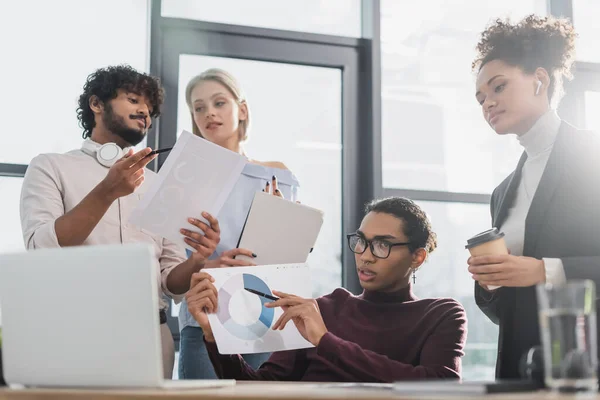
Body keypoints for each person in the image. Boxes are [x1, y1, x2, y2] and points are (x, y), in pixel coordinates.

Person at [19, 65, 221, 379]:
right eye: (133, 100)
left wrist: (197, 259)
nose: (144, 111)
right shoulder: (50, 167)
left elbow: (171, 282)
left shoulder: (157, 184)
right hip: (77, 335)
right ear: (97, 104)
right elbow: (41, 247)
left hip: (154, 336)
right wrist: (107, 191)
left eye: (150, 108)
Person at [186, 197, 467, 382]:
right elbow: (258, 389)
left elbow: (439, 388)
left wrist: (325, 341)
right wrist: (213, 335)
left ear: (417, 256)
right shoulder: (322, 308)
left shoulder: (442, 314)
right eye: (361, 241)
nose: (365, 255)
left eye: (383, 244)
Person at [470, 15, 600, 379]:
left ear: (539, 80)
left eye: (498, 88)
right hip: (522, 367)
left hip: (587, 364)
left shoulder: (593, 157)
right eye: (481, 98)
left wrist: (545, 270)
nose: (487, 103)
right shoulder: (502, 193)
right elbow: (506, 309)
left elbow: (540, 274)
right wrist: (490, 281)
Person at [177, 68, 300, 379]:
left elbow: (293, 256)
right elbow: (171, 265)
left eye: (219, 103)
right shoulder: (183, 178)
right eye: (199, 107)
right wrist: (212, 263)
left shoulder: (275, 175)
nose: (209, 113)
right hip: (206, 315)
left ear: (241, 110)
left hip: (263, 315)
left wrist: (289, 228)